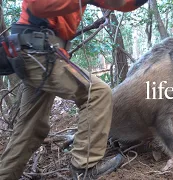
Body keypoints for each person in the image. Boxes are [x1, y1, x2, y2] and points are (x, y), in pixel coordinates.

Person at [0, 0, 147, 179]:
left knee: (30, 128)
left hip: (36, 53)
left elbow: (123, 3)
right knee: (97, 93)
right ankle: (84, 169)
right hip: (37, 51)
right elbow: (37, 6)